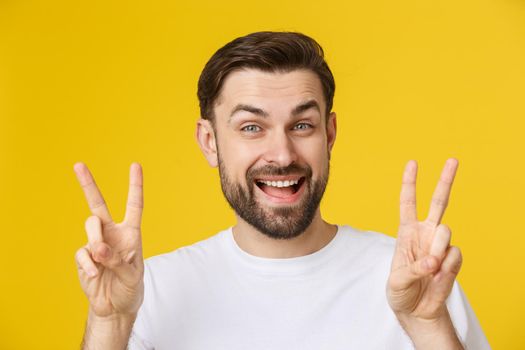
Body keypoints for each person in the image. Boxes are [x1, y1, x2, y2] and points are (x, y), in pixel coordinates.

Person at [73, 31, 490, 349]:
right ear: (209, 142)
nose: (282, 152)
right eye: (251, 127)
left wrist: (426, 325)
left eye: (302, 125)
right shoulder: (152, 290)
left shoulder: (416, 282)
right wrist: (110, 325)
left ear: (329, 135)